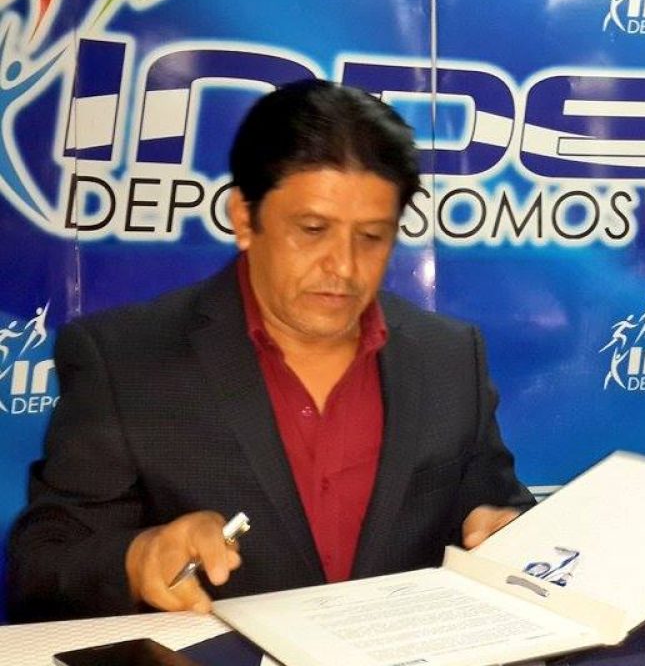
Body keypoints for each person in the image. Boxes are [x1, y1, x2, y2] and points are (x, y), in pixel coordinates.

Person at [6, 80, 534, 621]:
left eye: (372, 237)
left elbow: (497, 510)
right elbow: (42, 562)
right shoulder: (125, 360)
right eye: (313, 229)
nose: (344, 266)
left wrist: (504, 533)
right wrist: (136, 559)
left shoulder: (449, 358)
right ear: (244, 218)